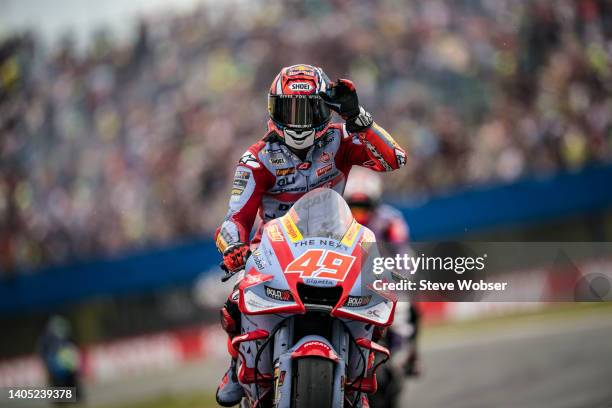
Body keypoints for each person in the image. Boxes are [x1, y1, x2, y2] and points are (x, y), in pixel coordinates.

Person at [214, 64, 407, 406]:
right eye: (290, 110)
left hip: (338, 241)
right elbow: (234, 219)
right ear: (275, 110)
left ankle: (361, 376)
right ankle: (237, 366)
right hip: (275, 249)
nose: (299, 121)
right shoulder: (256, 159)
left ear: (323, 109)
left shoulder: (340, 139)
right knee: (234, 301)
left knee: (381, 293)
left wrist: (356, 116)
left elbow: (394, 159)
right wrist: (234, 247)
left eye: (307, 110)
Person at [343, 167, 421, 382]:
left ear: (375, 202)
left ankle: (407, 354)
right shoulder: (338, 221)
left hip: (384, 276)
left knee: (408, 308)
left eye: (363, 206)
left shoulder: (390, 220)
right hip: (346, 277)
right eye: (354, 206)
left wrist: (400, 277)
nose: (358, 213)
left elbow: (402, 251)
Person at [38, 315, 83, 404]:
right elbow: (43, 352)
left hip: (67, 365)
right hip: (56, 366)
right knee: (59, 385)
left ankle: (74, 398)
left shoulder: (66, 338)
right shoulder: (47, 339)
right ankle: (62, 401)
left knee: (71, 383)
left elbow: (73, 349)